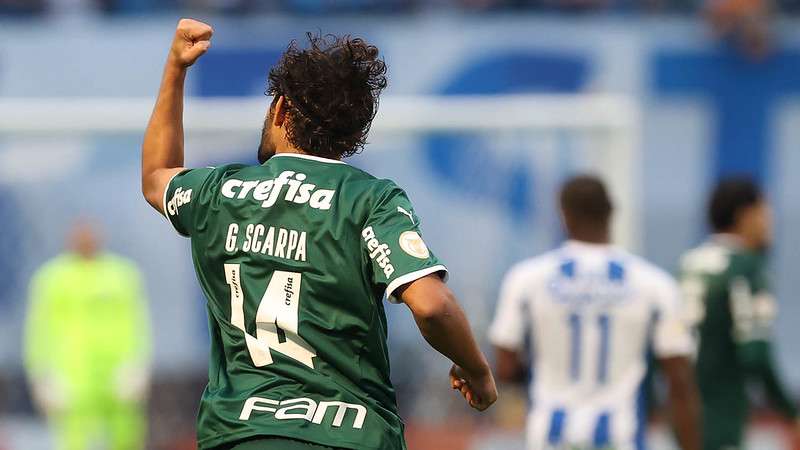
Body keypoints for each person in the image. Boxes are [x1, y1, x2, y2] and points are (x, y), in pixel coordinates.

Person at [140, 19, 497, 450]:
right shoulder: (368, 199)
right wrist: (475, 369)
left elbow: (157, 176)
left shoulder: (221, 192)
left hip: (243, 434)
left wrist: (175, 67)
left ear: (282, 111)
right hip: (348, 434)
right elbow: (433, 305)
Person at [489, 175, 701, 450]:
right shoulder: (654, 284)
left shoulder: (527, 278)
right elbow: (679, 380)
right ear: (612, 211)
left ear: (563, 214)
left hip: (551, 436)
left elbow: (505, 367)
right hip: (620, 436)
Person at [679, 177, 799, 450]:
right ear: (745, 215)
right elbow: (756, 354)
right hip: (721, 415)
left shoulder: (686, 265)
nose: (770, 222)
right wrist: (790, 412)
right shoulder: (747, 268)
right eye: (765, 212)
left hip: (682, 414)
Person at [24, 220, 151, 450]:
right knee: (73, 442)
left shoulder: (122, 275)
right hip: (72, 377)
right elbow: (37, 329)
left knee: (127, 438)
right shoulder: (52, 279)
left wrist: (137, 365)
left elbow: (138, 323)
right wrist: (41, 374)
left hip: (116, 374)